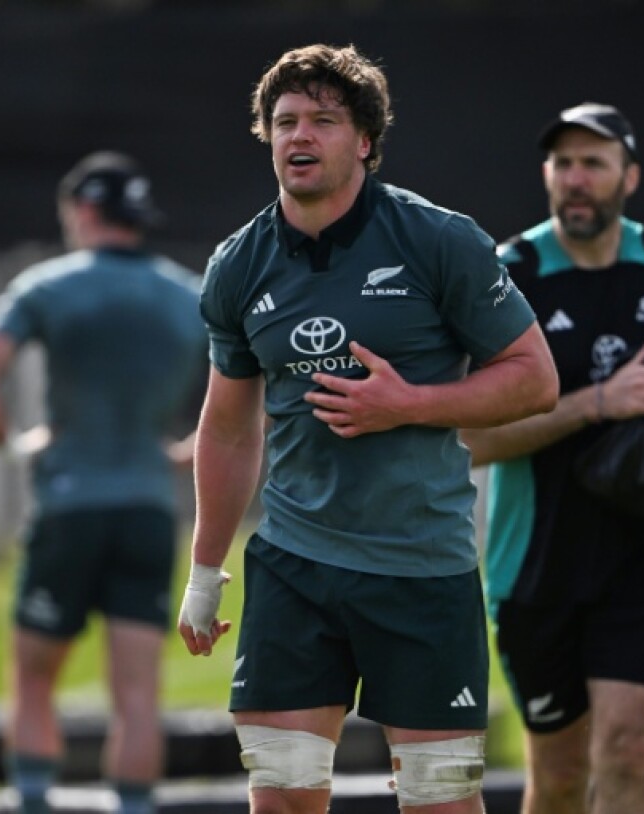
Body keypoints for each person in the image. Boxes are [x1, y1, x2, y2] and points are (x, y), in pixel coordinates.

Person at [175, 43, 559, 814]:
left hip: (422, 567)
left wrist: (408, 404)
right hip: (295, 566)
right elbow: (226, 428)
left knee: (439, 804)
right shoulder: (238, 266)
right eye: (284, 122)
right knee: (280, 794)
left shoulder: (439, 240)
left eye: (322, 119)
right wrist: (206, 571)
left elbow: (535, 379)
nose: (299, 136)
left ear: (366, 142)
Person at [461, 103, 644, 814]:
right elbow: (469, 437)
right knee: (556, 778)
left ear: (630, 176)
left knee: (625, 751)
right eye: (563, 164)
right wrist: (596, 402)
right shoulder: (508, 272)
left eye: (594, 163)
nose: (576, 179)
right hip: (535, 563)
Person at [0, 150, 206, 814]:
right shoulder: (189, 292)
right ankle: (132, 807)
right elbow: (256, 380)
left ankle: (34, 802)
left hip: (70, 507)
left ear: (84, 212)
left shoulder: (48, 286)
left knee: (34, 678)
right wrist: (196, 446)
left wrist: (14, 446)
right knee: (139, 692)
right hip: (149, 507)